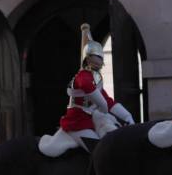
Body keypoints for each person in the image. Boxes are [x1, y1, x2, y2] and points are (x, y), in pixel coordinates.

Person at [55, 23, 135, 151]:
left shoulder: (95, 78)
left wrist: (126, 116)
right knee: (99, 149)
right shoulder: (82, 77)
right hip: (78, 122)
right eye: (96, 56)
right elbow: (98, 99)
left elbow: (107, 101)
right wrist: (103, 106)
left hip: (92, 119)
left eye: (100, 56)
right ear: (88, 58)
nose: (100, 60)